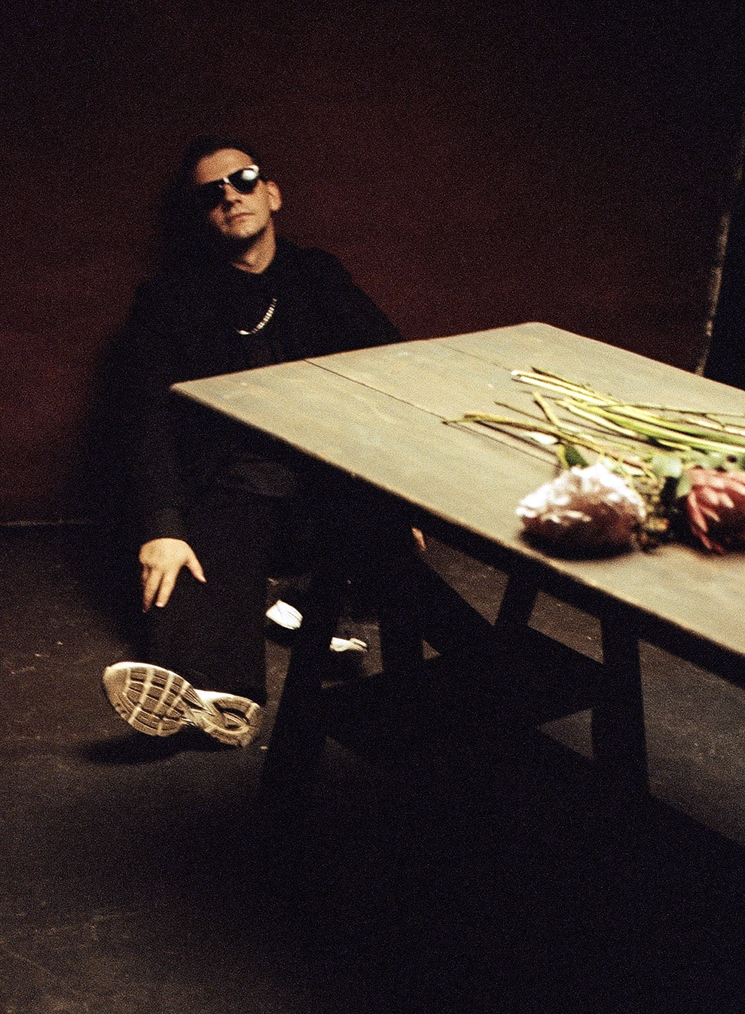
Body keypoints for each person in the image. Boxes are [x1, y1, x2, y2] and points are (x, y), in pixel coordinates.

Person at [102, 135, 474, 748]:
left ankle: (488, 662)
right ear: (201, 215)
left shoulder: (318, 275)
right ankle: (220, 699)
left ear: (272, 194)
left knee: (385, 550)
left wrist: (399, 489)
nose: (230, 195)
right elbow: (145, 416)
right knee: (192, 560)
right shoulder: (170, 298)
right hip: (233, 484)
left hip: (325, 479)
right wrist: (161, 527)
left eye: (243, 179)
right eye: (211, 193)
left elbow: (391, 369)